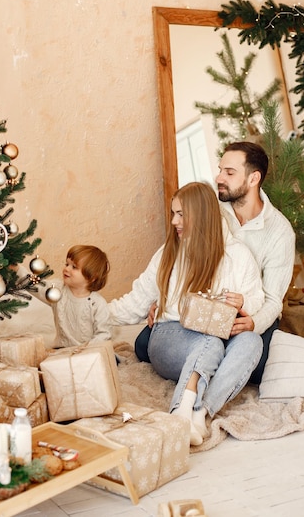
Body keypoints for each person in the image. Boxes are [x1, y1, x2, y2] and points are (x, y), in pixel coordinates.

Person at [108, 181, 264, 445]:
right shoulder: (167, 253)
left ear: (201, 215)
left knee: (252, 341)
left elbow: (257, 300)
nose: (173, 222)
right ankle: (180, 413)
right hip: (171, 336)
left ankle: (200, 413)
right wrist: (92, 310)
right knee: (209, 341)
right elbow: (134, 303)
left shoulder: (238, 255)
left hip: (220, 338)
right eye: (173, 213)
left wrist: (244, 301)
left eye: (181, 214)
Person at [135, 141, 296, 385]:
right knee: (144, 345)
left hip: (248, 313)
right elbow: (180, 259)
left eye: (229, 173)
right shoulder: (210, 209)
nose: (219, 177)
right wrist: (165, 299)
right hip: (203, 310)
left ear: (253, 179)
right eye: (220, 169)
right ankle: (214, 364)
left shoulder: (280, 232)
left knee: (260, 367)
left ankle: (207, 368)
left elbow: (273, 300)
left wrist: (252, 323)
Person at [19, 244, 112, 347]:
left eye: (74, 267)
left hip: (88, 352)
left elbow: (103, 334)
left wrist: (87, 350)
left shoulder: (97, 303)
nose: (67, 269)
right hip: (61, 350)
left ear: (92, 277)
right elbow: (36, 286)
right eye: (66, 264)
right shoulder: (57, 291)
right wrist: (17, 270)